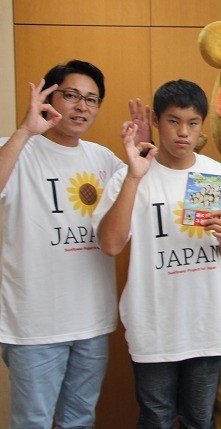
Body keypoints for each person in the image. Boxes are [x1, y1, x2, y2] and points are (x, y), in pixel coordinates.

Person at [94, 80, 221, 429]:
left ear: (202, 125)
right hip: (153, 324)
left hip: (205, 324)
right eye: (173, 121)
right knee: (156, 418)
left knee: (199, 419)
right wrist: (135, 177)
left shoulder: (218, 176)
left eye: (193, 123)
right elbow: (110, 244)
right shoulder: (131, 176)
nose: (183, 132)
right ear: (156, 120)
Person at [0, 60, 150, 428]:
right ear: (50, 96)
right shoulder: (15, 149)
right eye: (71, 96)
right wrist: (24, 130)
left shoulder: (102, 158)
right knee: (33, 422)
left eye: (92, 99)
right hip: (33, 326)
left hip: (91, 323)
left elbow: (142, 193)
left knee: (80, 420)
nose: (82, 107)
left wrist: (146, 150)